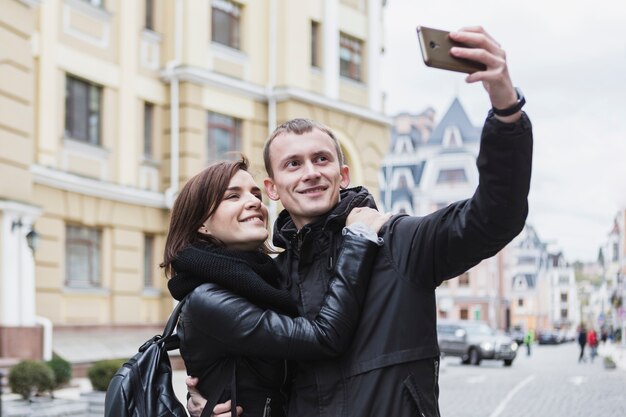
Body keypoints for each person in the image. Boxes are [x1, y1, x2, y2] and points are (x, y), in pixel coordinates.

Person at [191, 26, 533, 417]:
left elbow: (496, 215)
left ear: (344, 173)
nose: (310, 173)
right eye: (293, 164)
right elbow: (257, 384)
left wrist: (506, 109)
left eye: (321, 159)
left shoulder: (400, 241)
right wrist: (210, 406)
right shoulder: (273, 280)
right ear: (272, 188)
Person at [162, 158, 387, 416]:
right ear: (201, 224)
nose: (255, 202)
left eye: (255, 194)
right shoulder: (208, 299)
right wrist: (358, 241)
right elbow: (323, 338)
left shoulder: (262, 282)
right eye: (233, 196)